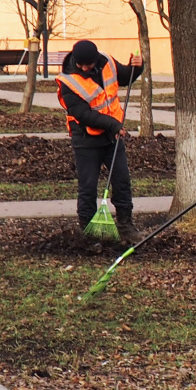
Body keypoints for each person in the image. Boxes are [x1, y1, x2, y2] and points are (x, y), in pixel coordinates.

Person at [57, 39, 144, 244]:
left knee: (122, 182)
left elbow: (125, 77)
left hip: (112, 138)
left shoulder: (106, 61)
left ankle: (125, 226)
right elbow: (83, 114)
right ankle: (89, 233)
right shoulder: (67, 81)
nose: (86, 68)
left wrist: (138, 67)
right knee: (88, 187)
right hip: (86, 140)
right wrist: (114, 125)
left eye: (89, 64)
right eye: (82, 65)